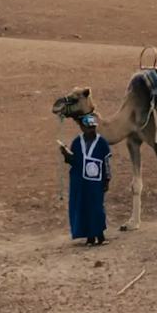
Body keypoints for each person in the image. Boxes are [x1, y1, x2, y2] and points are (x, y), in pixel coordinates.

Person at [54, 88, 110, 246]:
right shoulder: (77, 142)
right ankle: (89, 237)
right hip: (81, 183)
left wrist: (107, 180)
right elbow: (74, 160)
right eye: (88, 128)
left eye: (92, 128)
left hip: (96, 182)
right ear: (83, 128)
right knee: (84, 207)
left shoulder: (101, 143)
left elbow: (106, 162)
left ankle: (100, 236)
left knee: (97, 208)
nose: (91, 130)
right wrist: (65, 153)